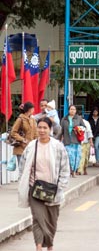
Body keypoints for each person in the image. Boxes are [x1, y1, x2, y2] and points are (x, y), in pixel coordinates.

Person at [18, 117, 70, 251]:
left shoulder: (58, 146)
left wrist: (61, 187)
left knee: (51, 221)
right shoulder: (31, 146)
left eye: (44, 128)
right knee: (38, 219)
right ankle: (39, 247)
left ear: (50, 130)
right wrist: (24, 183)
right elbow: (23, 166)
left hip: (53, 190)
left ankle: (50, 246)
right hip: (35, 189)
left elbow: (65, 168)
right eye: (39, 127)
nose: (41, 130)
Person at [10, 102, 39, 176]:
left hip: (31, 148)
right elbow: (13, 132)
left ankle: (29, 186)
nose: (33, 110)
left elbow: (36, 132)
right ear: (29, 109)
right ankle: (22, 186)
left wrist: (37, 142)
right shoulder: (20, 119)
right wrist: (22, 139)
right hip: (21, 148)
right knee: (22, 170)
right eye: (32, 108)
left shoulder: (33, 120)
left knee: (31, 170)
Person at [56, 105, 85, 178]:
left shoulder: (79, 118)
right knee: (69, 156)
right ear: (68, 110)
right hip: (67, 141)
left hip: (76, 141)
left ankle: (74, 171)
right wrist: (59, 140)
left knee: (76, 157)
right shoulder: (64, 119)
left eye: (74, 109)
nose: (72, 111)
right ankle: (69, 171)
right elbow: (61, 131)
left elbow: (84, 127)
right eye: (71, 109)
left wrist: (78, 128)